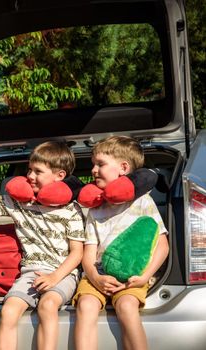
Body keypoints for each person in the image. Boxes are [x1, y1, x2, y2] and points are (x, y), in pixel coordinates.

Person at [0, 141, 85, 350]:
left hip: (63, 274)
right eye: (29, 169)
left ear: (60, 175)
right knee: (9, 311)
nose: (30, 175)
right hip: (30, 274)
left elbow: (77, 253)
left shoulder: (71, 209)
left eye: (38, 171)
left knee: (48, 306)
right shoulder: (19, 204)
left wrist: (54, 277)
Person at [73, 135, 169, 350]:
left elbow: (162, 245)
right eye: (93, 165)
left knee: (127, 306)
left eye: (100, 164)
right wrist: (96, 278)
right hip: (97, 274)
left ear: (123, 168)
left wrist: (144, 276)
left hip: (132, 278)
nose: (93, 171)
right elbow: (88, 252)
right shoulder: (95, 208)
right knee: (86, 305)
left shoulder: (144, 202)